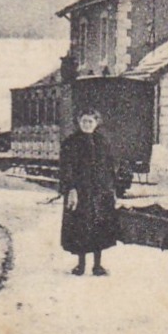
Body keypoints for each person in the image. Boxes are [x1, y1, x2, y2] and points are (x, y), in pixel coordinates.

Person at [59, 109, 120, 276]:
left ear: (96, 123)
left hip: (101, 192)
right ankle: (80, 265)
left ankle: (97, 265)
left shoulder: (103, 142)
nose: (87, 125)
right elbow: (66, 169)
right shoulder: (71, 142)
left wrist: (112, 189)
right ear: (79, 122)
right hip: (80, 193)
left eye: (90, 122)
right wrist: (71, 189)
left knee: (99, 228)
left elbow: (110, 167)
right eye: (84, 121)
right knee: (80, 228)